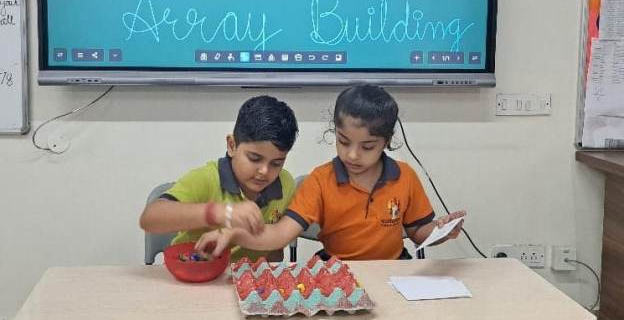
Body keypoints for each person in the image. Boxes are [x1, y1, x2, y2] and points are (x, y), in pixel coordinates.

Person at [196, 84, 465, 260]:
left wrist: (441, 231)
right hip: (336, 272)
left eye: (367, 147)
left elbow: (418, 232)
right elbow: (279, 234)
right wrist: (235, 234)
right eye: (343, 141)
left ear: (386, 142)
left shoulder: (404, 176)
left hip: (393, 270)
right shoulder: (320, 181)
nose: (352, 155)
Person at [140, 95, 299, 261]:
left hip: (249, 275)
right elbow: (150, 218)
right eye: (254, 158)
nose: (264, 171)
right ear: (232, 145)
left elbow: (275, 251)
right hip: (195, 271)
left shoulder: (285, 183)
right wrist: (218, 212)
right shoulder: (206, 179)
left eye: (276, 163)